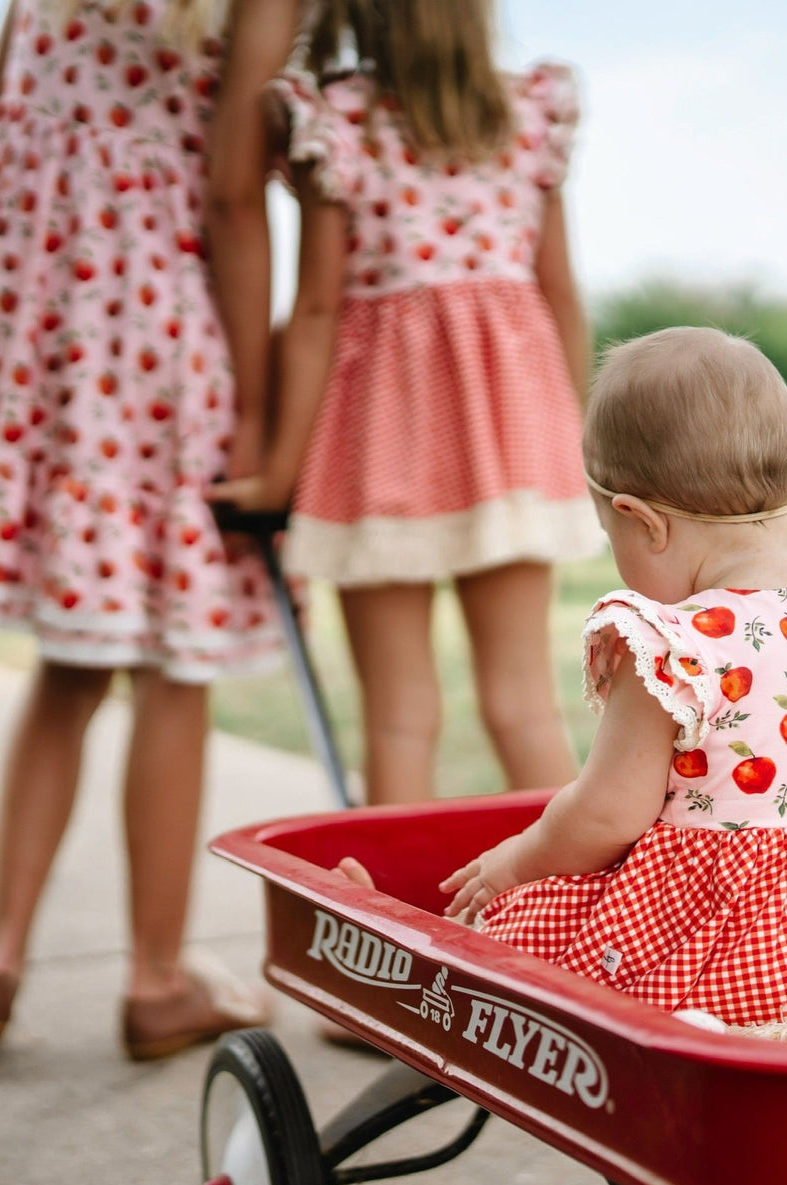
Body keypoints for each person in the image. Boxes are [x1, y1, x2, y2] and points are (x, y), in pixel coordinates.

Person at [0, 0, 299, 1060]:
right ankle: (158, 979)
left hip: (37, 316)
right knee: (173, 668)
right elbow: (231, 191)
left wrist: (46, 258)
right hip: (164, 322)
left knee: (68, 664)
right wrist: (256, 411)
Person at [438, 326, 787, 1040]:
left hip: (736, 971)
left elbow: (606, 818)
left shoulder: (678, 647)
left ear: (640, 521)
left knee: (522, 922)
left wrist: (517, 861)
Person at [208, 0, 605, 808]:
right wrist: (583, 445)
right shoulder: (527, 109)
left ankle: (399, 920)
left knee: (397, 717)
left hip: (380, 441)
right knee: (523, 700)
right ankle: (588, 915)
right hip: (515, 441)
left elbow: (317, 311)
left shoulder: (340, 119)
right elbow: (560, 295)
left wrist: (281, 472)